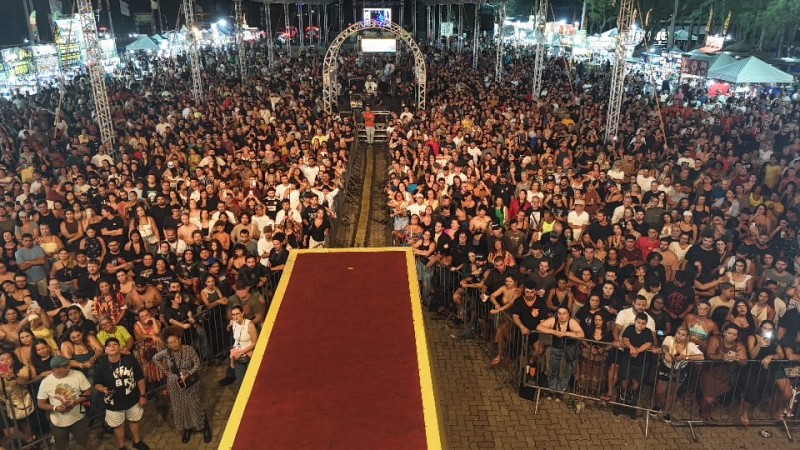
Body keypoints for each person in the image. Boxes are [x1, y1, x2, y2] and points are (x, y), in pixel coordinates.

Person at [152, 327, 211, 443]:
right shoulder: (167, 352)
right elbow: (155, 358)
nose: (173, 344)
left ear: (180, 340)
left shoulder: (188, 349)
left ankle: (204, 426)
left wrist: (188, 374)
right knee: (180, 407)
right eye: (170, 343)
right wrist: (166, 371)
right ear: (167, 344)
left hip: (190, 382)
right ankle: (187, 428)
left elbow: (197, 364)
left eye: (175, 341)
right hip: (174, 383)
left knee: (194, 405)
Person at [94, 338, 150, 450]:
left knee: (134, 420)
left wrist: (143, 395)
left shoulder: (129, 360)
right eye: (109, 345)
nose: (112, 346)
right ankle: (122, 446)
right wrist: (102, 389)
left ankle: (137, 441)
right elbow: (96, 383)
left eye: (115, 344)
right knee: (118, 425)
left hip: (132, 397)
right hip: (113, 401)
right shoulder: (102, 365)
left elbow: (139, 378)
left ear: (120, 347)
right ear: (105, 350)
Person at [36, 355, 94, 450]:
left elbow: (88, 391)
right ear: (56, 369)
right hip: (58, 422)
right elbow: (41, 403)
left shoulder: (78, 374)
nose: (69, 367)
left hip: (78, 418)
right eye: (65, 366)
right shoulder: (46, 382)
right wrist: (55, 408)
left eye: (68, 364)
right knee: (61, 446)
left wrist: (76, 401)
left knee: (85, 440)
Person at [651, 326, 703, 420]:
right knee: (660, 391)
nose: (679, 336)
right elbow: (664, 346)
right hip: (666, 367)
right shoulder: (669, 338)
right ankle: (657, 405)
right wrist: (666, 353)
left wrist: (685, 357)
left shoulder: (690, 345)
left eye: (683, 335)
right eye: (678, 333)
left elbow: (701, 357)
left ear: (687, 337)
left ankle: (667, 411)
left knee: (672, 392)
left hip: (680, 370)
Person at [698, 324, 747, 421]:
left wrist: (738, 359)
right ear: (724, 332)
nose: (731, 336)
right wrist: (722, 357)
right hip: (710, 371)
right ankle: (704, 414)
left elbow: (744, 361)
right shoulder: (715, 339)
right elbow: (709, 354)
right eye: (729, 333)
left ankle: (707, 413)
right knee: (709, 398)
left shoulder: (739, 345)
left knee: (714, 397)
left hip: (724, 374)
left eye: (734, 334)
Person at [536, 306, 584, 393]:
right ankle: (552, 390)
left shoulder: (572, 322)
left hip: (568, 351)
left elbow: (581, 334)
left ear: (568, 314)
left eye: (564, 314)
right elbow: (539, 327)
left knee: (565, 373)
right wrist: (554, 332)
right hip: (554, 349)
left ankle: (560, 391)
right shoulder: (553, 320)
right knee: (552, 371)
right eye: (559, 313)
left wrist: (566, 333)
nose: (561, 316)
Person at [229, 304, 258, 387]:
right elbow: (236, 338)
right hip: (237, 355)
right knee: (240, 382)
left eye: (237, 314)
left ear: (242, 313)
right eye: (233, 315)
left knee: (252, 381)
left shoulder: (250, 325)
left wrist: (242, 352)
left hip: (249, 354)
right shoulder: (233, 323)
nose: (235, 316)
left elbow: (254, 343)